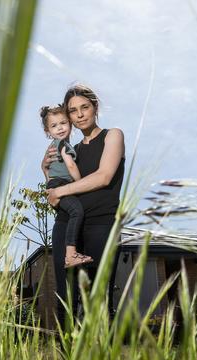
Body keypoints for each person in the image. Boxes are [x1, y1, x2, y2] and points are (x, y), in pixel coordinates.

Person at [41, 84, 125, 327]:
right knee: (65, 299)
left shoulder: (113, 135)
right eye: (73, 110)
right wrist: (45, 172)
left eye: (84, 107)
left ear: (95, 107)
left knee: (98, 299)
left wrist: (60, 190)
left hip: (101, 225)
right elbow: (54, 195)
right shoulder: (71, 151)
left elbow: (104, 176)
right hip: (68, 228)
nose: (79, 114)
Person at [39, 104, 93, 268]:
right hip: (61, 184)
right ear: (48, 132)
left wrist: (49, 181)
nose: (60, 128)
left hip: (55, 183)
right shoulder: (63, 145)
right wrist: (79, 183)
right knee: (77, 211)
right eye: (54, 126)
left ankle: (71, 252)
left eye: (63, 123)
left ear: (69, 123)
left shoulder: (53, 146)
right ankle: (70, 255)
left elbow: (48, 169)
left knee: (72, 212)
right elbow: (71, 166)